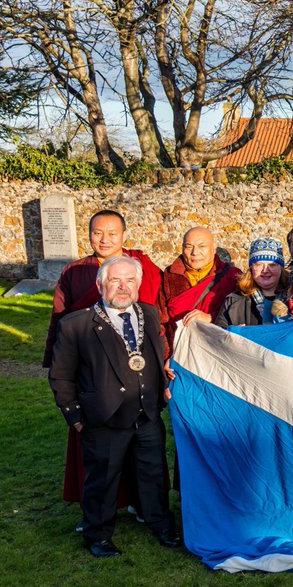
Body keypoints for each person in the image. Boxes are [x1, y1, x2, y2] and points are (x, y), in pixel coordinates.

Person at [48, 256, 180, 558]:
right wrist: (75, 416)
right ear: (100, 285)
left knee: (153, 474)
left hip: (146, 413)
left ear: (138, 285)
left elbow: (154, 354)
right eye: (114, 280)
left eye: (130, 280)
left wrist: (162, 376)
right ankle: (98, 535)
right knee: (103, 479)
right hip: (103, 417)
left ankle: (161, 524)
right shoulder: (76, 325)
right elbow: (61, 375)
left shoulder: (147, 313)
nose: (123, 287)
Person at [43, 210, 163, 516]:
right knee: (98, 455)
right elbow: (61, 319)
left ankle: (142, 505)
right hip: (93, 374)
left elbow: (154, 319)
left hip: (137, 380)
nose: (105, 239)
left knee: (146, 454)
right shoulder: (75, 271)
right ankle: (98, 515)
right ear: (89, 235)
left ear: (124, 235)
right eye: (98, 233)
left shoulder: (142, 268)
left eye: (112, 233)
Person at [156, 226, 241, 352]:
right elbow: (160, 322)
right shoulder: (169, 277)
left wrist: (211, 318)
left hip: (218, 353)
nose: (194, 252)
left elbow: (241, 319)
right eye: (188, 246)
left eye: (202, 246)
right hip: (178, 353)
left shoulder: (233, 277)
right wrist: (170, 356)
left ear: (213, 249)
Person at [214, 238, 288, 328]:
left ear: (281, 268)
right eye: (259, 264)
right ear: (251, 268)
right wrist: (233, 334)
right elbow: (218, 335)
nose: (265, 270)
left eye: (272, 265)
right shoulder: (234, 301)